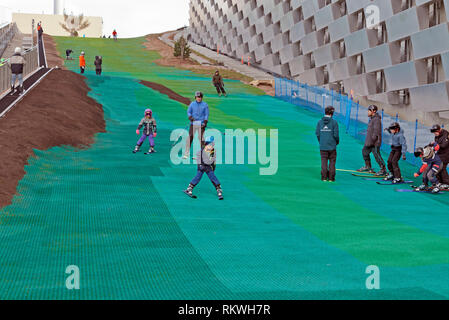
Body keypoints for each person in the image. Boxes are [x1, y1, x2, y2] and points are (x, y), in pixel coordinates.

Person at [357, 105, 386, 176]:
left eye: (369, 110)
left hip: (374, 142)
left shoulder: (376, 119)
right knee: (364, 152)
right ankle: (368, 166)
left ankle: (383, 170)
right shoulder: (372, 119)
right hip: (369, 142)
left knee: (377, 155)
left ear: (374, 111)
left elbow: (376, 131)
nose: (368, 112)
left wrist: (372, 140)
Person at [316, 106, 339, 182]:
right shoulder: (334, 122)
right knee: (332, 161)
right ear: (332, 113)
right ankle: (331, 178)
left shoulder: (319, 122)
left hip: (323, 146)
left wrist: (321, 141)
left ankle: (324, 177)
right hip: (332, 146)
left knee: (324, 161)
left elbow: (318, 134)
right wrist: (336, 142)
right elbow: (336, 135)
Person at [184, 91, 209, 159]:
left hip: (201, 124)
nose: (199, 98)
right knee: (190, 136)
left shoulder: (205, 105)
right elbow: (189, 112)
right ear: (195, 97)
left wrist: (205, 122)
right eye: (198, 97)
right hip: (193, 123)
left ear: (202, 98)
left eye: (200, 97)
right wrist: (190, 117)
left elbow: (206, 114)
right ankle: (187, 153)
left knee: (201, 138)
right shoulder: (192, 104)